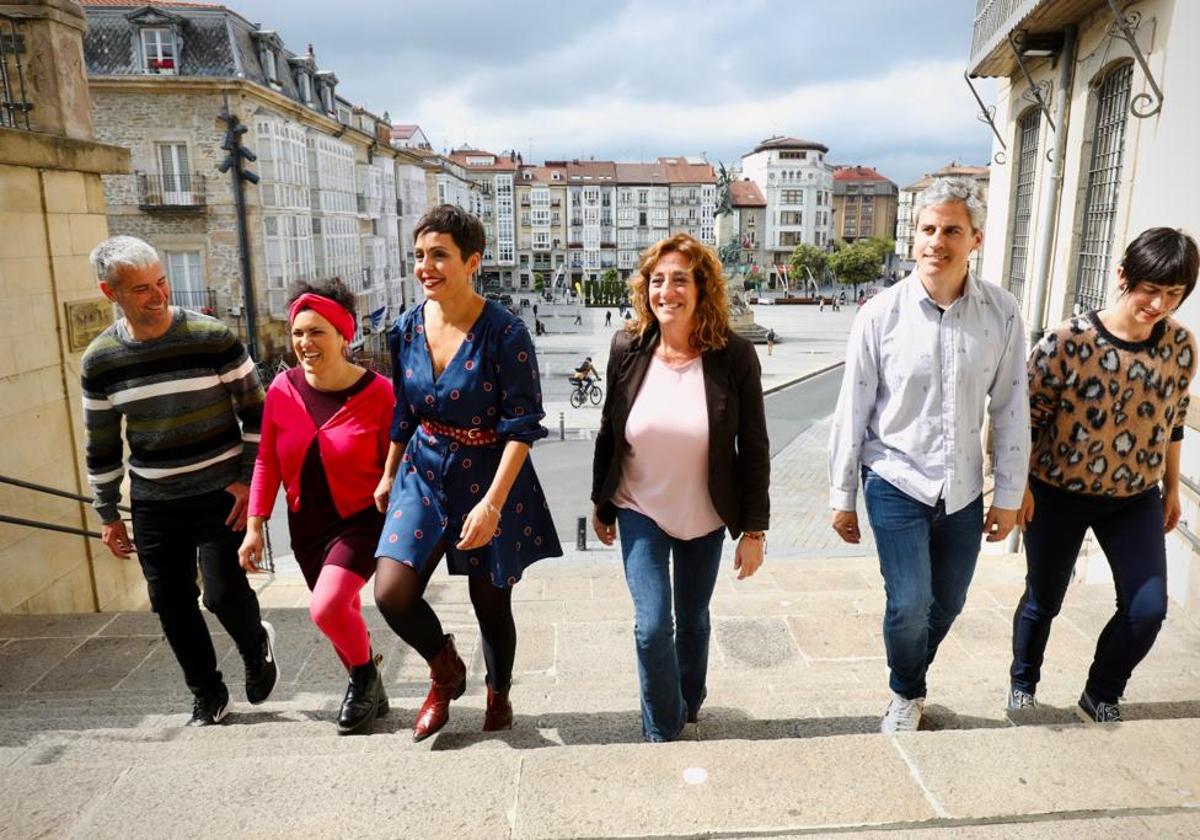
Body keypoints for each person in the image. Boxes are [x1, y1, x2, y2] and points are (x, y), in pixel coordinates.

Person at [827, 177, 1029, 733]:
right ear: (913, 236)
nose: (937, 240)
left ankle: (910, 668)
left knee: (950, 602)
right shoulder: (879, 315)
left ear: (976, 240)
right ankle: (906, 691)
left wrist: (1009, 495)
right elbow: (854, 409)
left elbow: (1012, 407)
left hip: (962, 487)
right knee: (910, 603)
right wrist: (842, 495)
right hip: (894, 479)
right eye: (928, 229)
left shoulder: (1002, 313)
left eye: (951, 230)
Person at [373, 205, 563, 741]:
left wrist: (493, 505)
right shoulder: (407, 327)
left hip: (487, 474)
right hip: (422, 468)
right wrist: (389, 473)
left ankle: (498, 691)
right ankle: (444, 669)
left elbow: (522, 427)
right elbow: (403, 413)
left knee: (490, 598)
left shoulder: (505, 332)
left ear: (472, 261)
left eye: (439, 255)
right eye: (418, 256)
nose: (425, 267)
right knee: (391, 592)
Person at [81, 235, 278, 727]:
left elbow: (259, 415)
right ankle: (207, 693)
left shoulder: (212, 338)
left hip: (220, 494)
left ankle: (256, 645)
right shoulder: (101, 360)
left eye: (162, 282)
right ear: (112, 293)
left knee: (222, 594)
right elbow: (102, 444)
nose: (159, 295)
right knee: (170, 602)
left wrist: (242, 481)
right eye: (143, 288)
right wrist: (107, 513)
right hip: (153, 500)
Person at [1008, 227, 1197, 723]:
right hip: (1055, 494)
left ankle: (1101, 692)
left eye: (1173, 295)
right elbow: (1023, 422)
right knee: (1044, 599)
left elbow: (1173, 420)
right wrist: (1018, 486)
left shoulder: (1181, 346)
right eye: (1149, 290)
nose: (1158, 304)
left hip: (1135, 497)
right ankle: (1023, 683)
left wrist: (1172, 486)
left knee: (1147, 609)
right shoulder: (1066, 342)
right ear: (1121, 277)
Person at [592, 233, 770, 742]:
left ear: (702, 289)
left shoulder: (733, 357)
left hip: (706, 512)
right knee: (652, 627)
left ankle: (689, 700)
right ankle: (663, 729)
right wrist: (601, 503)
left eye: (679, 280)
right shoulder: (627, 347)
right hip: (638, 506)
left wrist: (754, 530)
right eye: (657, 280)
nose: (665, 291)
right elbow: (610, 427)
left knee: (692, 620)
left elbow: (754, 446)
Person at [238, 279, 395, 736]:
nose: (305, 343)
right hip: (307, 526)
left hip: (362, 521)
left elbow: (398, 461)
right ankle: (370, 687)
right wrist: (255, 526)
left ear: (345, 335)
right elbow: (267, 458)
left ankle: (363, 679)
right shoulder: (282, 390)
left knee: (326, 608)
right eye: (298, 333)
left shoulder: (380, 394)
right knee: (339, 612)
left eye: (317, 332)